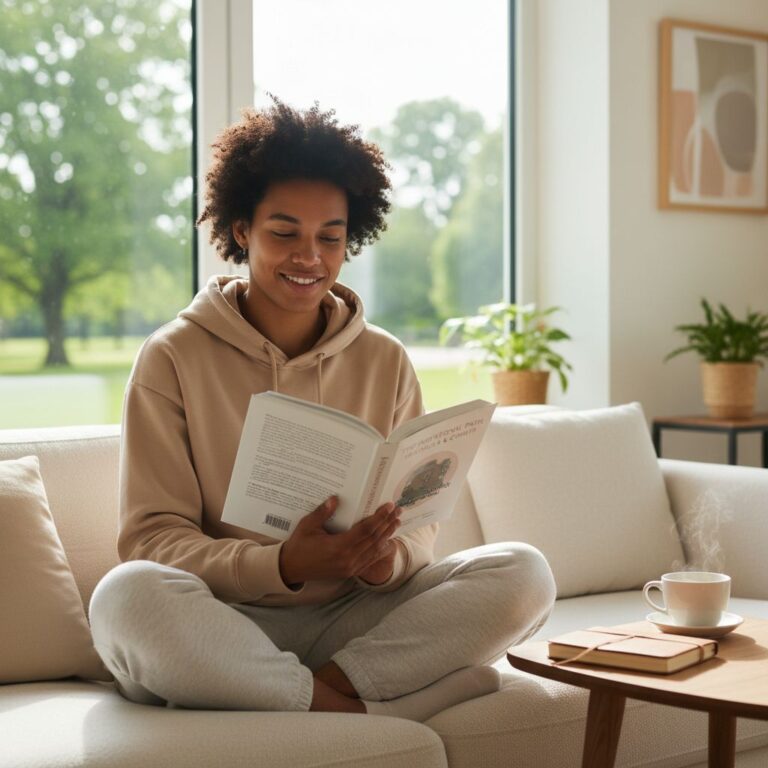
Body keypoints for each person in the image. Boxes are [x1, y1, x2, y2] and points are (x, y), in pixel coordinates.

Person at [88, 98, 556, 721]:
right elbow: (152, 539)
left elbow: (420, 526)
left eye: (329, 238)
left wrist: (389, 559)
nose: (309, 257)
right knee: (126, 598)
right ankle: (371, 711)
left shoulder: (385, 359)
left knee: (524, 572)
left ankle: (307, 693)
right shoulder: (172, 356)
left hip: (354, 624)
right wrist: (280, 564)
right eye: (284, 233)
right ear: (241, 231)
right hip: (223, 623)